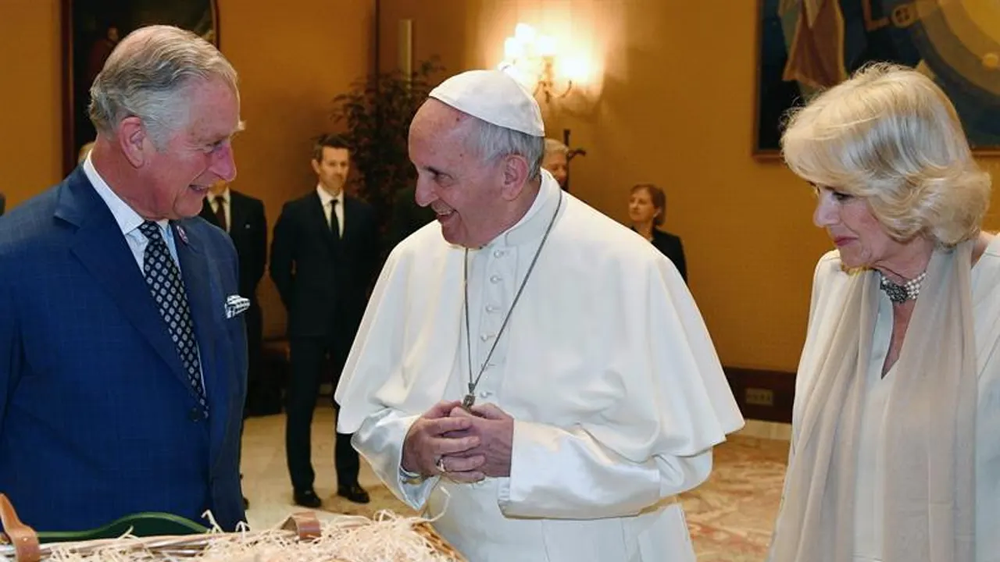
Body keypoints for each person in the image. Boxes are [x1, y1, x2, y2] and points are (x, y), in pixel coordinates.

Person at [335, 69, 743, 561]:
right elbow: (368, 415)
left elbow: (679, 460)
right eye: (417, 172)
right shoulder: (412, 260)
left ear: (510, 173)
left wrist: (526, 455)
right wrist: (410, 447)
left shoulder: (629, 269)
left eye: (439, 175)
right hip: (449, 544)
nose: (421, 196)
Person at [0, 25, 247, 531]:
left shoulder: (214, 249)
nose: (229, 169)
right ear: (136, 138)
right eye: (212, 144)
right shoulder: (15, 259)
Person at [767, 63, 997, 562]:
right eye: (817, 191)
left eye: (842, 195)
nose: (820, 217)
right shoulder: (833, 278)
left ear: (912, 185)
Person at [270, 134, 381, 507]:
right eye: (332, 164)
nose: (339, 171)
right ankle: (302, 484)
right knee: (300, 405)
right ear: (316, 165)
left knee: (347, 406)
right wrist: (299, 304)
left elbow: (370, 265)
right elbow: (280, 268)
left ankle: (348, 479)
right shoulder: (295, 211)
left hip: (349, 325)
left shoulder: (363, 214)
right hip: (308, 325)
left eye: (344, 164)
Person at [200, 181, 274, 416]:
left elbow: (259, 260)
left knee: (240, 391)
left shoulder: (251, 207)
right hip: (204, 312)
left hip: (243, 310)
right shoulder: (191, 206)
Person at [628, 183, 687, 283]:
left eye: (642, 202)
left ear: (656, 211)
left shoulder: (671, 244)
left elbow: (680, 284)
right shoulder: (622, 240)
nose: (635, 206)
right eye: (632, 201)